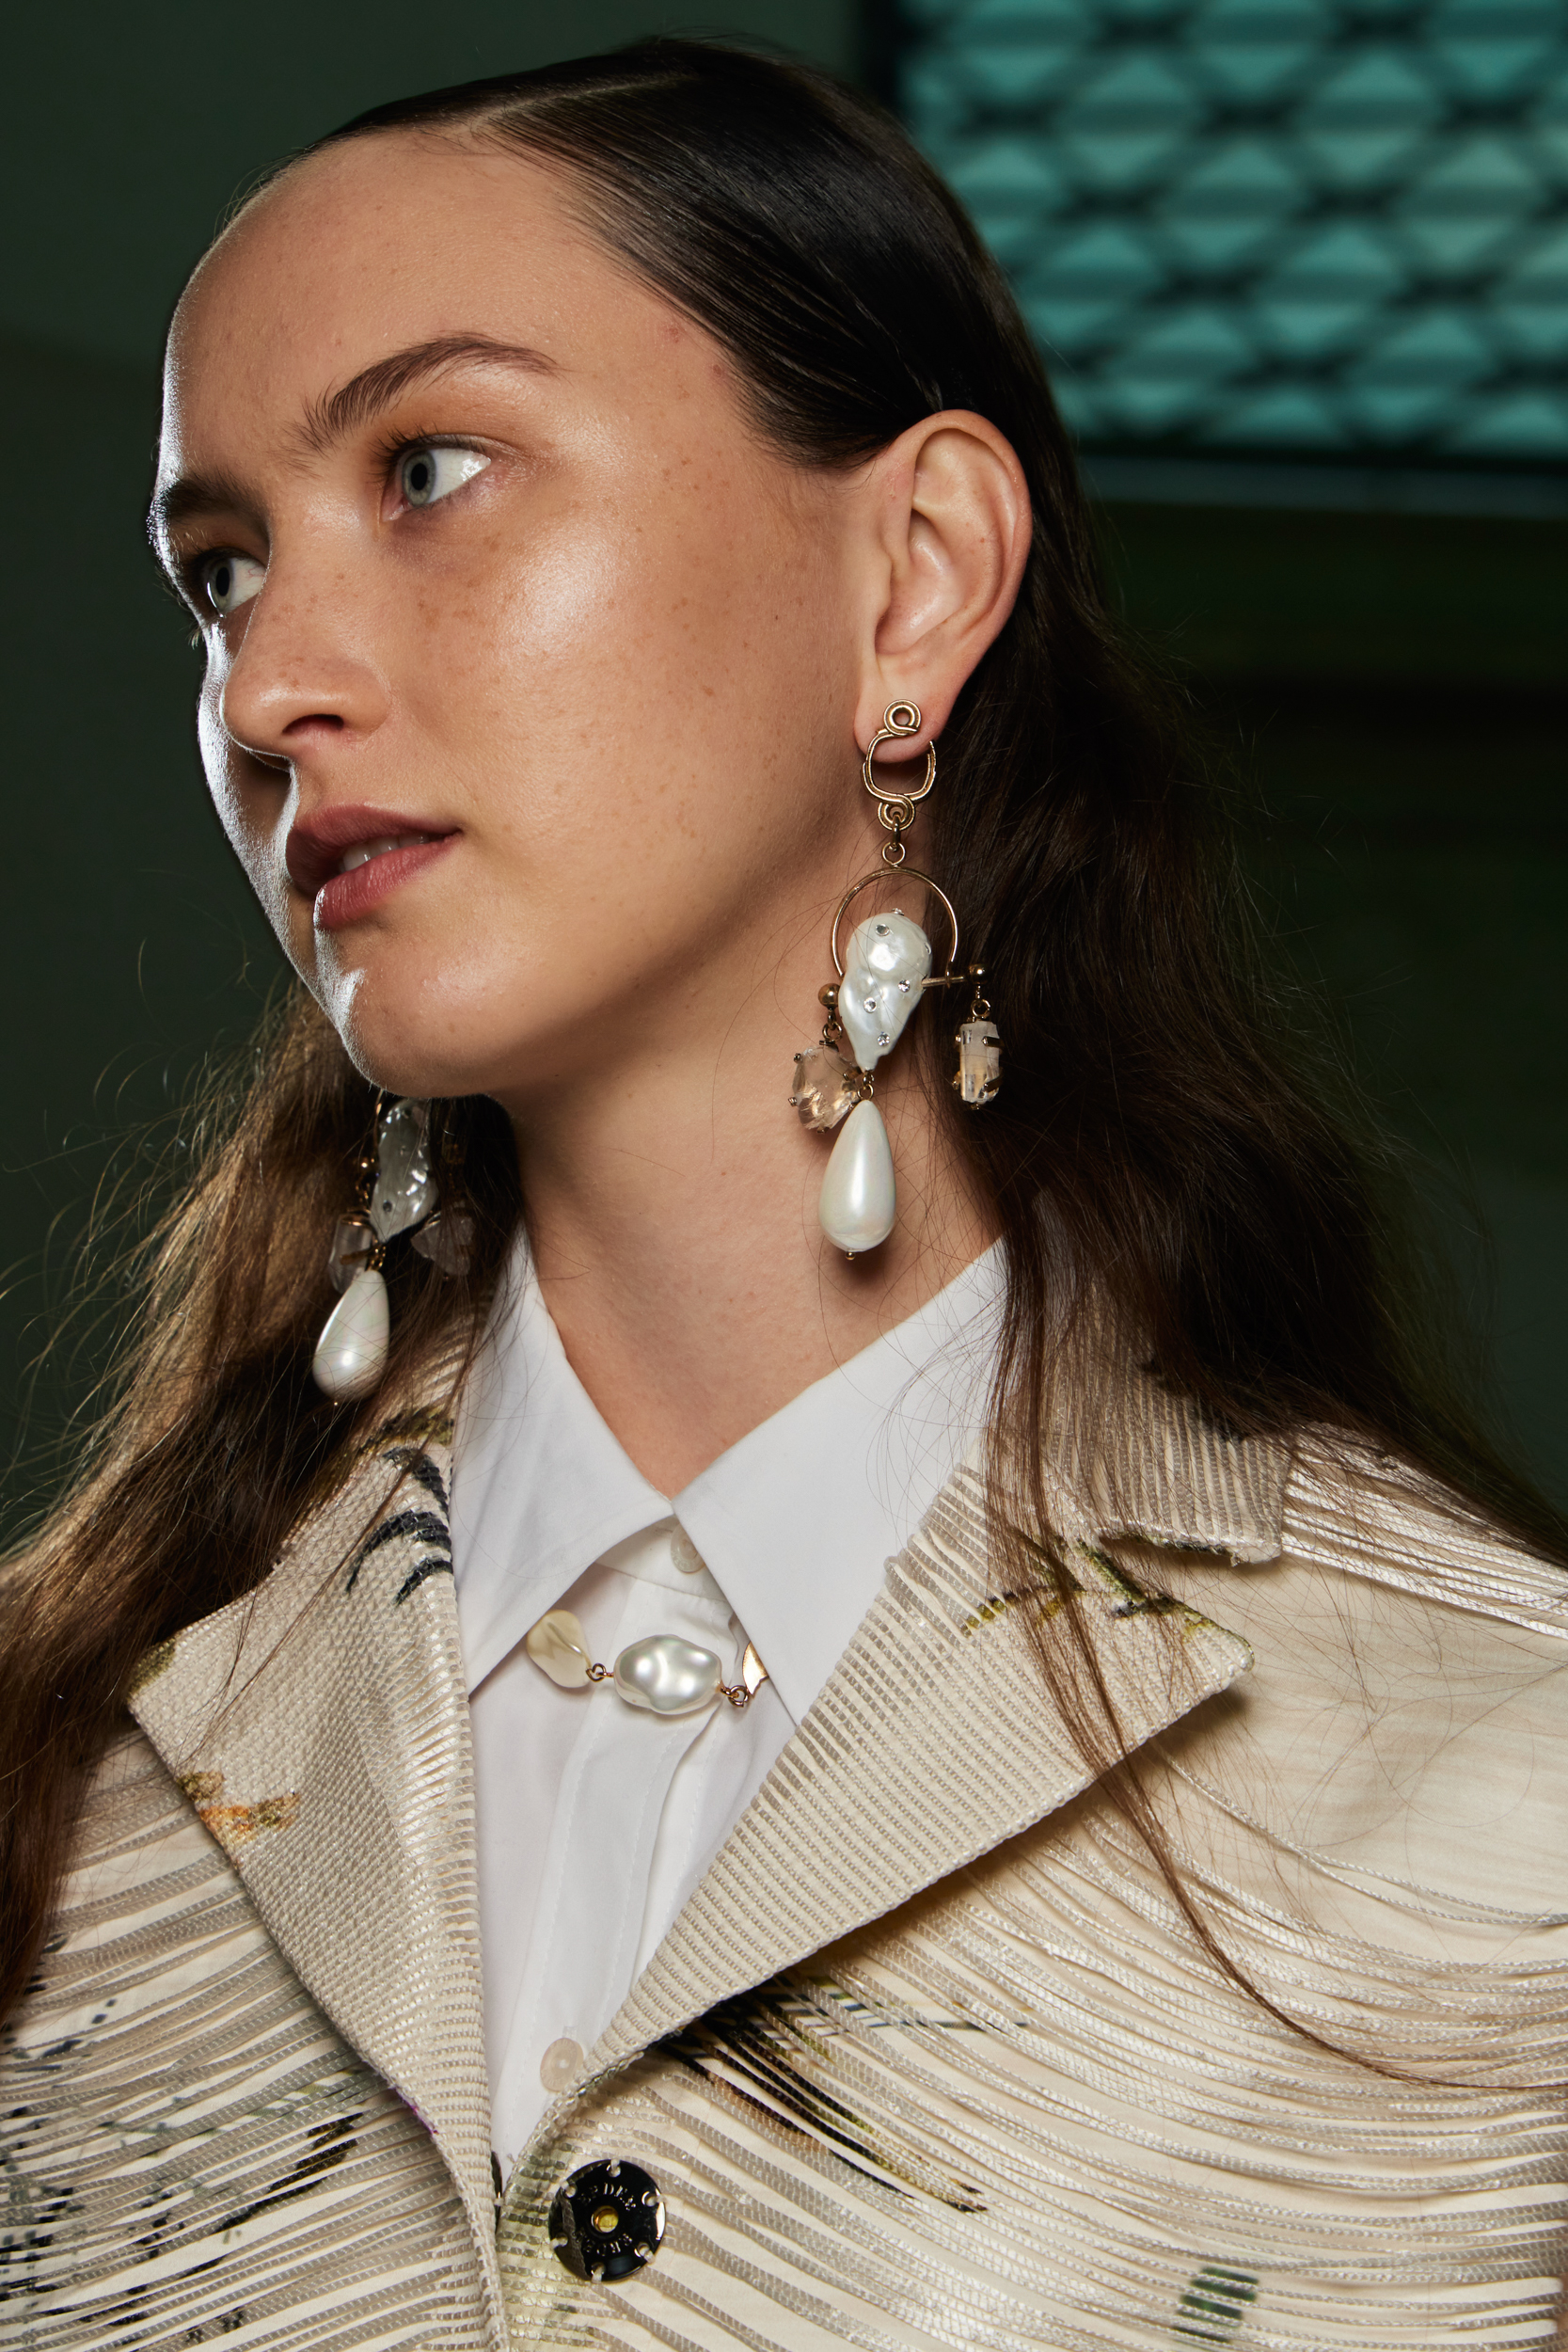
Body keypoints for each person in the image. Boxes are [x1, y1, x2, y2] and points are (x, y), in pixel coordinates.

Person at [1, 40, 1564, 2351]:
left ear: (913, 579)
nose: (269, 688)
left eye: (428, 470)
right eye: (220, 573)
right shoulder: (63, 1777)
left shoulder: (1507, 1782)